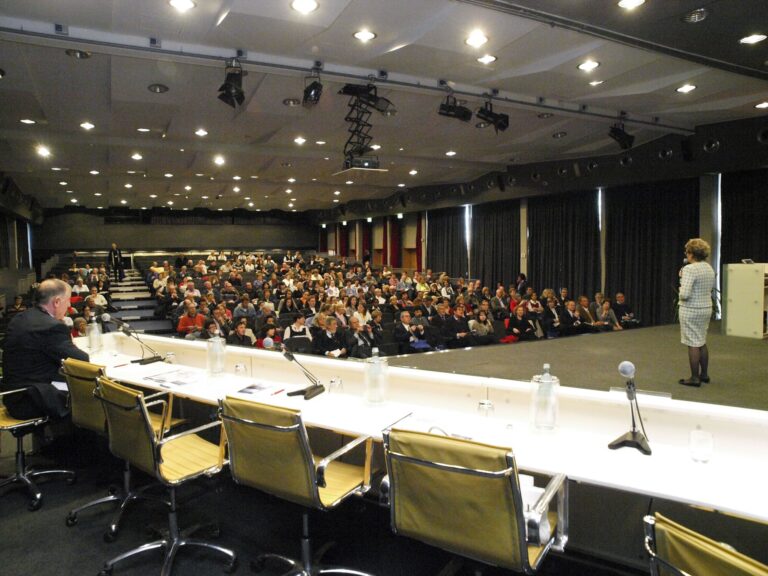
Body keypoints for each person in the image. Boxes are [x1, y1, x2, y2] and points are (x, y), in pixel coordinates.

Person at [1, 279, 90, 419]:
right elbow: (82, 360)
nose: (69, 305)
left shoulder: (21, 317)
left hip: (14, 395)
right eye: (67, 300)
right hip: (31, 399)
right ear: (57, 302)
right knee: (92, 397)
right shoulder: (51, 326)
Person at [678, 238, 715, 387]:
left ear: (692, 253)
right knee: (701, 341)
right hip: (705, 308)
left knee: (692, 343)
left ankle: (694, 378)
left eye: (687, 252)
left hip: (691, 310)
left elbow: (684, 294)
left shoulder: (689, 269)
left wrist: (681, 282)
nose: (686, 254)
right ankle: (704, 375)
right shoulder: (708, 268)